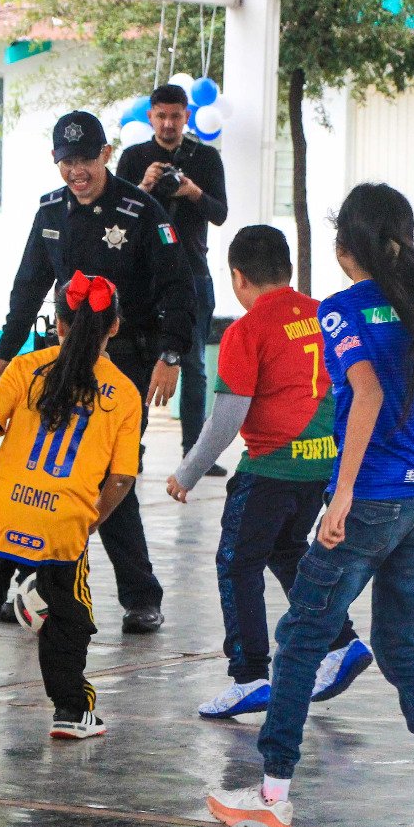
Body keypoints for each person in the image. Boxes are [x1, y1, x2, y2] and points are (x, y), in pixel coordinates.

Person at [205, 183, 414, 827]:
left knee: (301, 640)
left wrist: (342, 494)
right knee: (399, 646)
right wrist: (409, 449)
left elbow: (365, 393)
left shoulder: (341, 310)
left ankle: (272, 798)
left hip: (369, 500)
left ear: (346, 249)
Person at [0, 110, 194, 635]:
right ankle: (27, 584)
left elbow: (179, 288)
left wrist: (171, 357)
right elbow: (27, 283)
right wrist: (6, 350)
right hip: (62, 359)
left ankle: (140, 597)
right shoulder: (50, 211)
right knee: (43, 469)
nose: (75, 171)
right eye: (66, 161)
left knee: (111, 474)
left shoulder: (141, 211)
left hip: (127, 362)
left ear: (105, 154)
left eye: (85, 160)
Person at [167, 225, 371, 719]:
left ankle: (248, 675)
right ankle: (341, 641)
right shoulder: (324, 313)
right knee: (285, 551)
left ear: (238, 278)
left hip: (270, 467)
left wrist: (187, 472)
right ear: (289, 270)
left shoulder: (247, 329)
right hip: (320, 465)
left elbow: (227, 418)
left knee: (237, 564)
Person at [0, 272, 139, 741]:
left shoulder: (27, 369)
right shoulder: (123, 392)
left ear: (59, 325)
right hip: (64, 519)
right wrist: (91, 520)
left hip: (3, 506)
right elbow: (123, 477)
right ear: (115, 327)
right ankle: (69, 709)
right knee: (67, 613)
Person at [117, 84, 229, 475]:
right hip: (143, 275)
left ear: (187, 116)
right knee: (137, 360)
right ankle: (132, 445)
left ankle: (194, 452)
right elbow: (119, 213)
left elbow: (220, 214)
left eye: (176, 116)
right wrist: (145, 186)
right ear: (150, 116)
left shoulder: (206, 158)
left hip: (193, 270)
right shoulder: (133, 158)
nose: (168, 124)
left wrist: (194, 192)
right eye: (161, 116)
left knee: (195, 364)